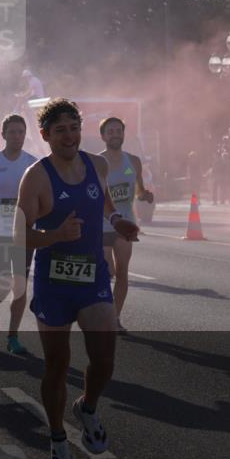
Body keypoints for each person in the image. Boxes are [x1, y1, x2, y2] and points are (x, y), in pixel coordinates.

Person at [14, 98, 138, 459]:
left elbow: (102, 200)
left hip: (93, 276)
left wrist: (117, 220)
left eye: (73, 127)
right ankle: (56, 441)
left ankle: (86, 406)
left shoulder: (96, 164)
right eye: (60, 130)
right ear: (46, 136)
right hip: (54, 283)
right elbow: (19, 237)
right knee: (57, 364)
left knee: (104, 358)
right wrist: (54, 235)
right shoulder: (36, 176)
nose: (69, 136)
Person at [0, 114, 37, 355]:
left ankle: (13, 336)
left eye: (21, 132)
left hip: (23, 233)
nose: (16, 136)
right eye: (12, 132)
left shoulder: (33, 164)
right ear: (3, 135)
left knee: (20, 285)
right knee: (3, 281)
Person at [98, 117, 153, 333]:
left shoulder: (134, 162)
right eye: (110, 131)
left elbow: (139, 190)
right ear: (103, 136)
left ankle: (115, 318)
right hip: (102, 225)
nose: (115, 134)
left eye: (118, 130)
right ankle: (101, 312)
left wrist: (145, 195)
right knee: (107, 270)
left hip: (126, 224)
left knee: (122, 273)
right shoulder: (98, 162)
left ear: (123, 134)